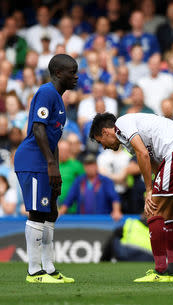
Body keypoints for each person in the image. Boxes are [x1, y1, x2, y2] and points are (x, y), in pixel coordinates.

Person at [89, 112, 173, 283]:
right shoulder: (128, 136)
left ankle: (160, 270)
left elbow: (143, 155)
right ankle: (171, 271)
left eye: (100, 141)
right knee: (169, 214)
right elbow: (154, 162)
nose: (103, 147)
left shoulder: (122, 124)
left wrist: (150, 190)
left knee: (152, 211)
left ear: (105, 132)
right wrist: (157, 185)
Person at [14, 54, 78, 283]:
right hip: (32, 160)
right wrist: (51, 164)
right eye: (72, 71)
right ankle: (34, 271)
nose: (76, 76)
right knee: (37, 212)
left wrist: (56, 169)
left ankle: (49, 268)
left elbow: (53, 139)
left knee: (51, 212)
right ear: (59, 73)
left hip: (46, 160)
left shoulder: (59, 99)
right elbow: (38, 129)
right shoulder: (47, 92)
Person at [59, 153, 123, 221]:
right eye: (87, 165)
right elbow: (69, 199)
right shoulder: (79, 181)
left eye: (92, 165)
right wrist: (61, 212)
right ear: (84, 167)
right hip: (82, 221)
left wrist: (116, 211)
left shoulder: (105, 181)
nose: (90, 168)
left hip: (102, 221)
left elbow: (114, 198)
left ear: (96, 166)